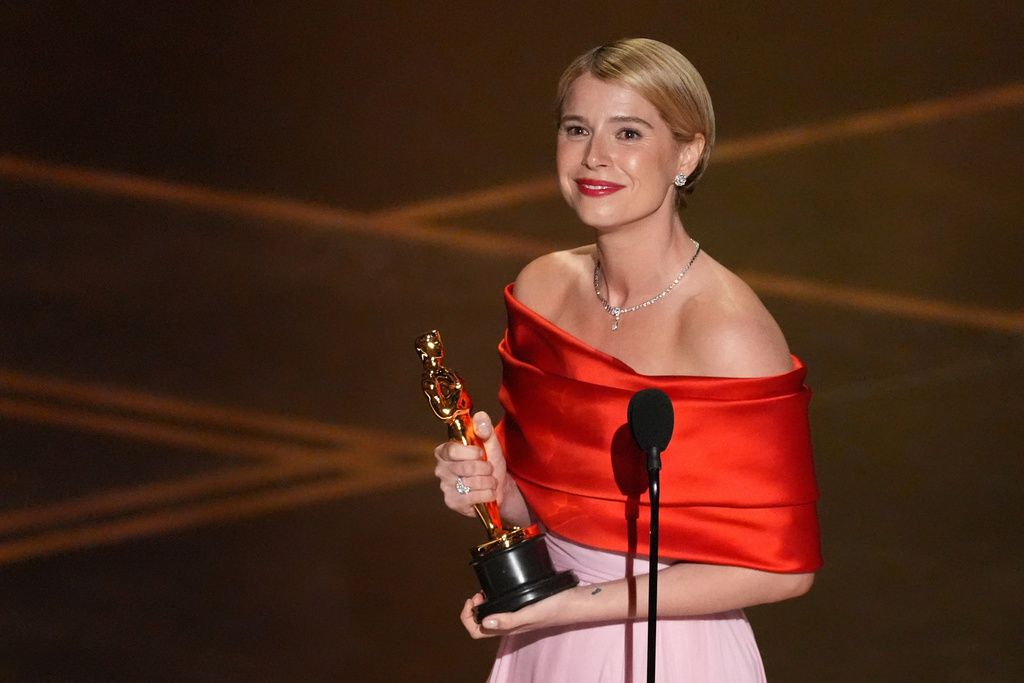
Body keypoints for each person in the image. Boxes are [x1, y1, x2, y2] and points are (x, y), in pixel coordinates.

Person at [433, 38, 821, 682]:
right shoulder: (542, 291)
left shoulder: (727, 331)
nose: (594, 157)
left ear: (688, 152)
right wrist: (492, 486)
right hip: (546, 639)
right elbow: (549, 504)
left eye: (630, 132)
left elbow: (783, 568)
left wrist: (578, 605)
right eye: (577, 128)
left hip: (668, 652)